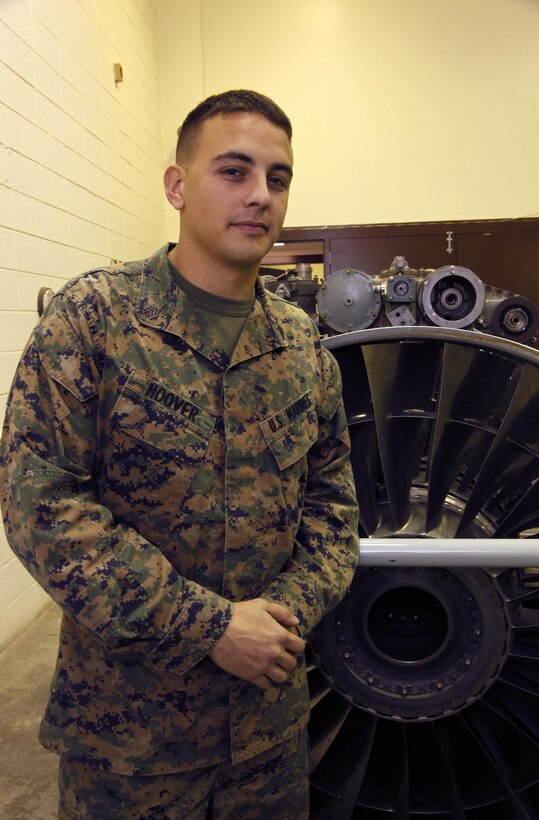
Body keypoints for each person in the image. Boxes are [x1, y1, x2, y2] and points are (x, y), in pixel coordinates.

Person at [0, 89, 359, 818]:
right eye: (233, 170)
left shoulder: (302, 351)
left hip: (268, 738)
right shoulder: (94, 320)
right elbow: (40, 505)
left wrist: (277, 620)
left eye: (277, 177)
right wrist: (212, 628)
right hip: (129, 747)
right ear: (176, 185)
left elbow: (333, 515)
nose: (259, 195)